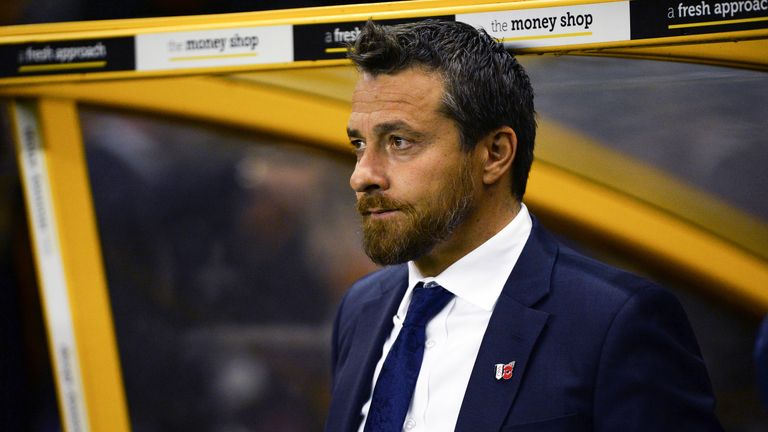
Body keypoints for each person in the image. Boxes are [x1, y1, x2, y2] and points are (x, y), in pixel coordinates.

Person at [326, 20, 723, 432]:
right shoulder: (362, 308)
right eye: (359, 144)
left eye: (399, 142)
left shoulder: (615, 321)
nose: (362, 175)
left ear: (495, 154)